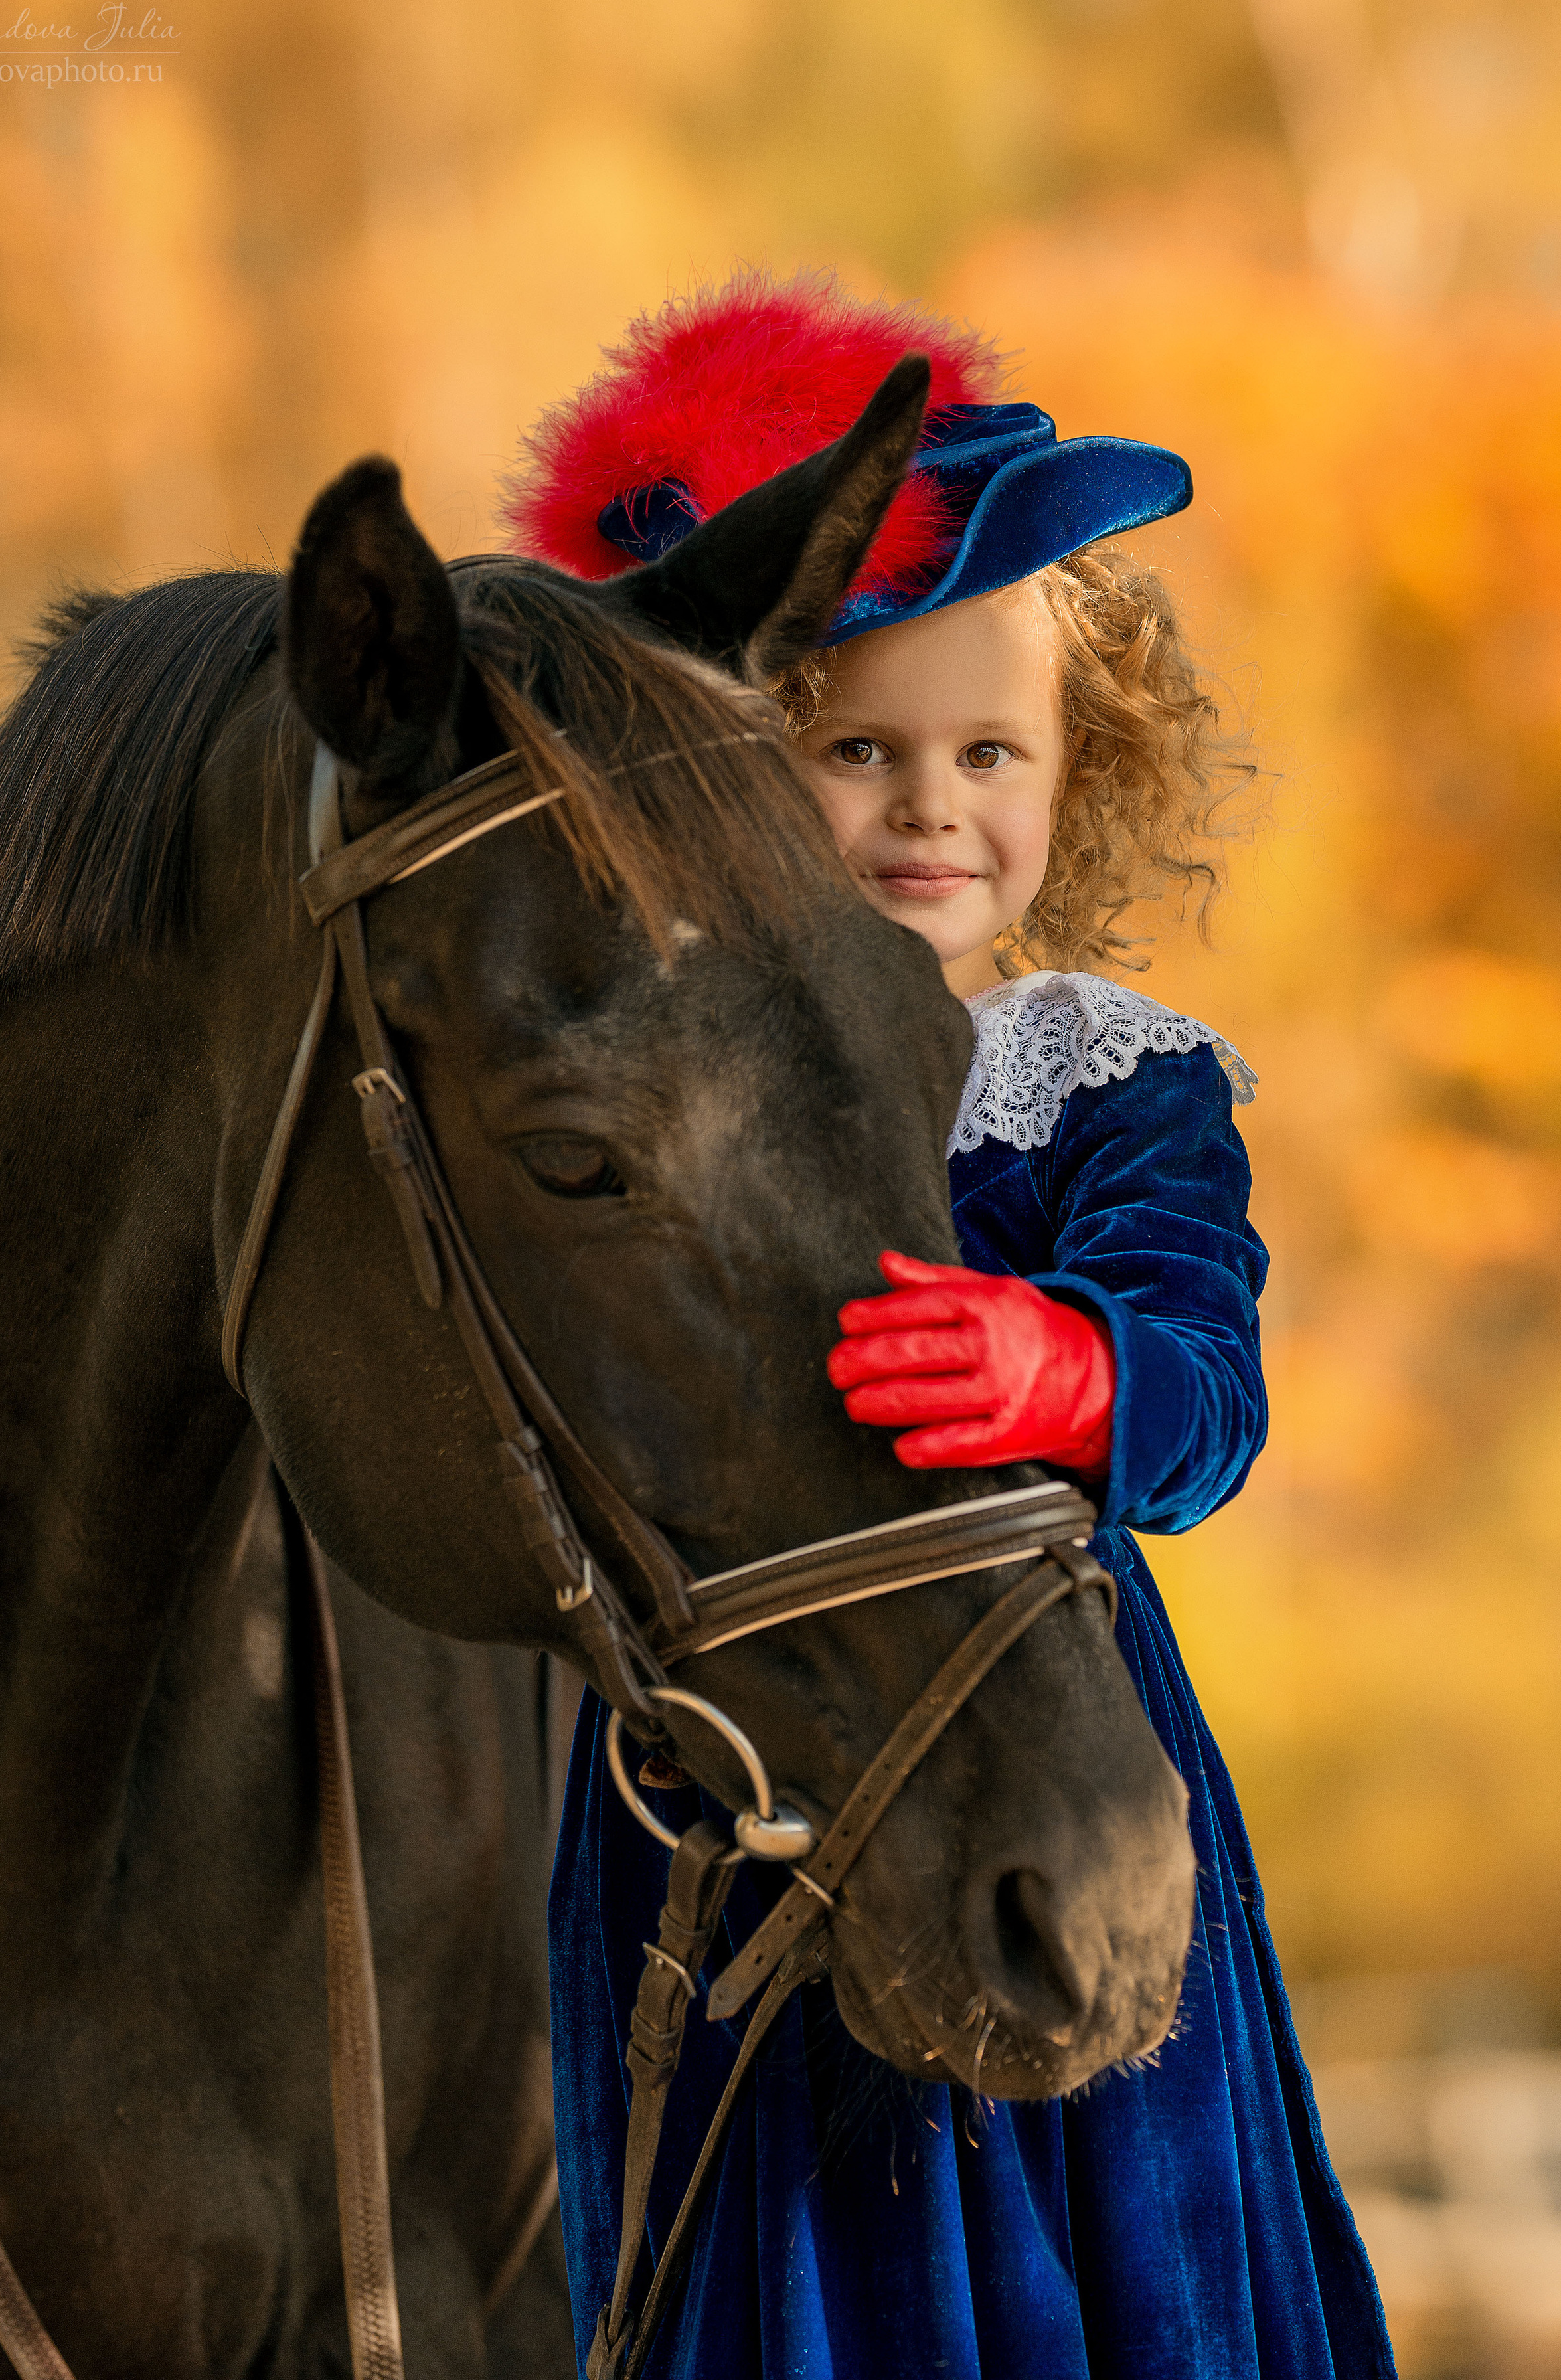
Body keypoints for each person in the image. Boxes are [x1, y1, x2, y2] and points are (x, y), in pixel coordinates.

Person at [504, 275, 1393, 2379]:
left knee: (1099, 2227)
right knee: (763, 2236)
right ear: (743, 771)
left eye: (989, 750)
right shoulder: (673, 1074)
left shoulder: (1102, 1072)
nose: (930, 807)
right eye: (859, 751)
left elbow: (1205, 1388)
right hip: (734, 1761)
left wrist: (1062, 1369)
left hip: (1037, 1732)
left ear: (1080, 772)